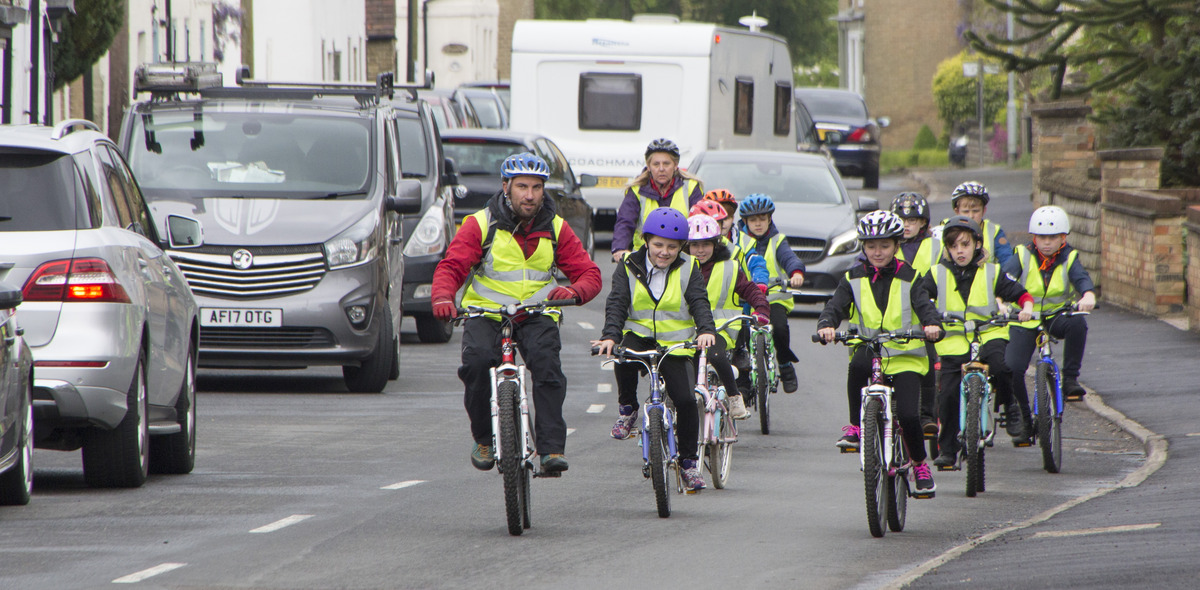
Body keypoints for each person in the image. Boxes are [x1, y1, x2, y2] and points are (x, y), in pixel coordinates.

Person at [431, 153, 602, 474]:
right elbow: (452, 267)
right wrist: (442, 296)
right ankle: (484, 439)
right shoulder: (480, 224)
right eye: (522, 186)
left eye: (537, 187)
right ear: (506, 187)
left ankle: (551, 449)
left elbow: (589, 274)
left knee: (548, 370)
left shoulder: (555, 227)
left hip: (537, 313)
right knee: (477, 364)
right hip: (487, 312)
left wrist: (574, 291)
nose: (530, 195)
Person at [816, 210, 942, 497]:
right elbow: (835, 306)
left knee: (909, 415)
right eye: (871, 246)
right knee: (858, 363)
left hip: (906, 356)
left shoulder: (912, 277)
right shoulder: (853, 277)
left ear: (897, 245)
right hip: (870, 350)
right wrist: (827, 325)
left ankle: (920, 465)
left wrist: (932, 324)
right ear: (863, 247)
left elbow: (924, 305)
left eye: (884, 245)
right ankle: (855, 427)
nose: (877, 252)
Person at [593, 207, 717, 491]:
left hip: (674, 344)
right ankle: (628, 409)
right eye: (658, 245)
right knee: (622, 356)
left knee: (686, 401)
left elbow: (699, 301)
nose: (664, 252)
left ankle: (688, 464)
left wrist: (706, 330)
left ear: (681, 247)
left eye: (672, 247)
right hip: (638, 335)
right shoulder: (627, 265)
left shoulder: (689, 267)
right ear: (646, 240)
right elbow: (617, 303)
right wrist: (610, 336)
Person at [926, 217, 1034, 467]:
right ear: (947, 249)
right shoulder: (936, 273)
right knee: (948, 393)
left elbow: (1019, 293)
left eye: (965, 244)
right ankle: (948, 449)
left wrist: (1026, 307)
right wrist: (928, 320)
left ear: (977, 244)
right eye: (953, 246)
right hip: (953, 341)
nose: (959, 251)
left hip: (988, 333)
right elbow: (920, 297)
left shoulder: (991, 272)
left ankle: (1009, 407)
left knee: (1002, 366)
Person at [1003, 205, 1097, 428]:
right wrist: (1000, 301)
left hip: (1057, 316)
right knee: (1013, 368)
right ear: (1033, 237)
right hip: (1026, 318)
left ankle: (1070, 380)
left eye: (1053, 237)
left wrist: (1088, 294)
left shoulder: (1069, 257)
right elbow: (1004, 280)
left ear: (1063, 237)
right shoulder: (1022, 255)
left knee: (1078, 324)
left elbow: (1081, 278)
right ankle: (1025, 419)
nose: (1047, 242)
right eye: (1042, 237)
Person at [685, 213, 771, 420]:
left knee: (714, 353)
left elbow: (750, 290)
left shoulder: (730, 267)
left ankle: (734, 397)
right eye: (694, 245)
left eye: (706, 244)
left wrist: (761, 310)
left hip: (720, 329)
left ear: (716, 244)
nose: (700, 250)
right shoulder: (678, 268)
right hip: (685, 330)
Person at [735, 194, 805, 393]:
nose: (758, 224)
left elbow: (789, 258)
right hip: (744, 298)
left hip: (773, 296)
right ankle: (743, 377)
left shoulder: (778, 240)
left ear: (769, 220)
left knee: (780, 329)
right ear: (745, 222)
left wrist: (796, 272)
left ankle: (784, 362)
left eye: (762, 219)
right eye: (753, 220)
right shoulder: (737, 240)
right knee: (738, 334)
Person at [891, 192, 942, 438]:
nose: (907, 225)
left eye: (913, 220)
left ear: (923, 223)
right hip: (895, 315)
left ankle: (927, 416)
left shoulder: (935, 246)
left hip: (926, 310)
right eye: (902, 220)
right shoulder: (887, 244)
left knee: (930, 361)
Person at [610, 138, 704, 262]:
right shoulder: (637, 190)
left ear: (675, 166)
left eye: (666, 164)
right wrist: (619, 248)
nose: (661, 169)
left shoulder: (691, 187)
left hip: (681, 257)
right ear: (648, 167)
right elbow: (625, 222)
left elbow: (700, 222)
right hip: (644, 259)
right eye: (656, 164)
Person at [942, 181, 1014, 266]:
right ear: (957, 211)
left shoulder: (993, 231)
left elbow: (1007, 260)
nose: (971, 216)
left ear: (984, 211)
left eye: (976, 211)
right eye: (966, 211)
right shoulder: (944, 229)